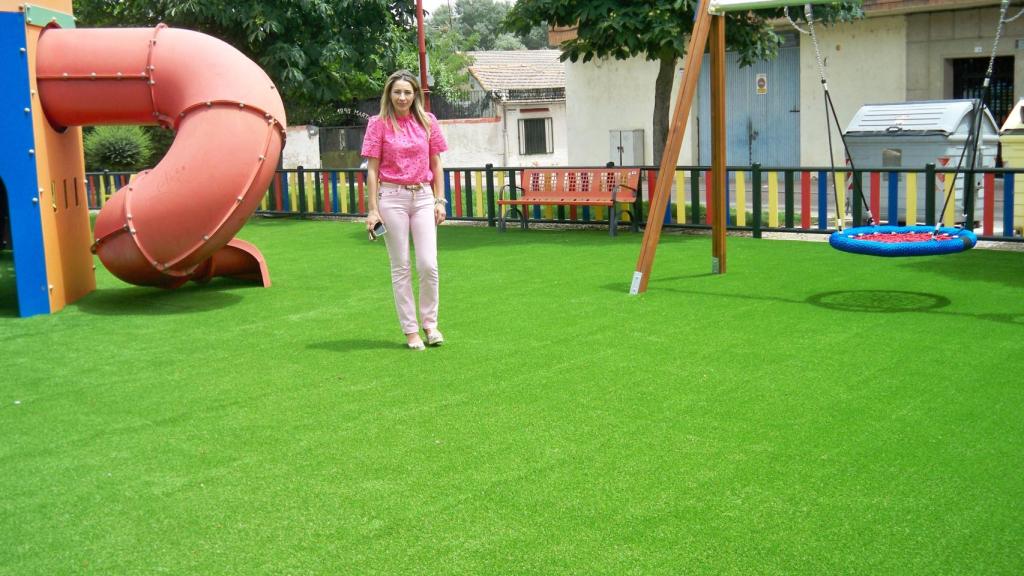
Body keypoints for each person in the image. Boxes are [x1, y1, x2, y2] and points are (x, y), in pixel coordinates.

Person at [362, 70, 449, 350]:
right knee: (401, 266)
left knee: (428, 264)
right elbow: (372, 170)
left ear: (415, 95)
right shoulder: (378, 124)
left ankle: (430, 325)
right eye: (397, 92)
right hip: (391, 197)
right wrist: (372, 210)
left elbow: (436, 164)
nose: (402, 97)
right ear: (389, 94)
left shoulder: (428, 121)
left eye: (407, 92)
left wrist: (439, 200)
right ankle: (411, 330)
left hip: (423, 196)